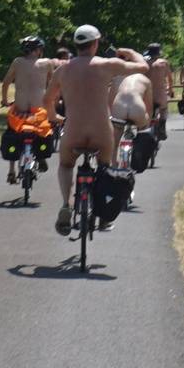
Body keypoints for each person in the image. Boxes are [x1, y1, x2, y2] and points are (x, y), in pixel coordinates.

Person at [46, 24, 151, 235]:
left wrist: (53, 116)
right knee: (104, 169)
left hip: (74, 128)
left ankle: (66, 205)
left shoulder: (63, 70)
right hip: (101, 131)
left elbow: (47, 99)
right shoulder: (108, 65)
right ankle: (103, 217)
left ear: (76, 45)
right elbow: (143, 67)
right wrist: (130, 53)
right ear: (95, 44)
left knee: (66, 165)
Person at [0, 35, 60, 183]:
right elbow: (53, 86)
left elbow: (6, 83)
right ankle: (40, 156)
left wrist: (5, 100)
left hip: (19, 111)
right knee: (44, 132)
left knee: (12, 134)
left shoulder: (17, 62)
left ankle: (11, 171)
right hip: (38, 112)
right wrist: (54, 103)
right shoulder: (46, 63)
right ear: (39, 50)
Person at [143, 42, 173, 139]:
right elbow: (170, 79)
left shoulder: (144, 63)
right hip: (160, 95)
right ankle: (162, 127)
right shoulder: (163, 63)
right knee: (164, 110)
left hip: (147, 95)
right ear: (159, 53)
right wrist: (170, 90)